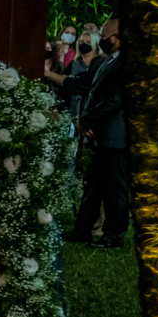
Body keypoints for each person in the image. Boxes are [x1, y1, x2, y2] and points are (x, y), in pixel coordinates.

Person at [62, 19, 127, 248]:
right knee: (93, 186)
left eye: (105, 36)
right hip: (101, 135)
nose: (103, 40)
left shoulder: (126, 64)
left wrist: (88, 119)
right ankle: (82, 230)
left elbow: (113, 101)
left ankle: (113, 235)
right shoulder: (109, 61)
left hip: (115, 137)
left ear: (117, 38)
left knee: (114, 189)